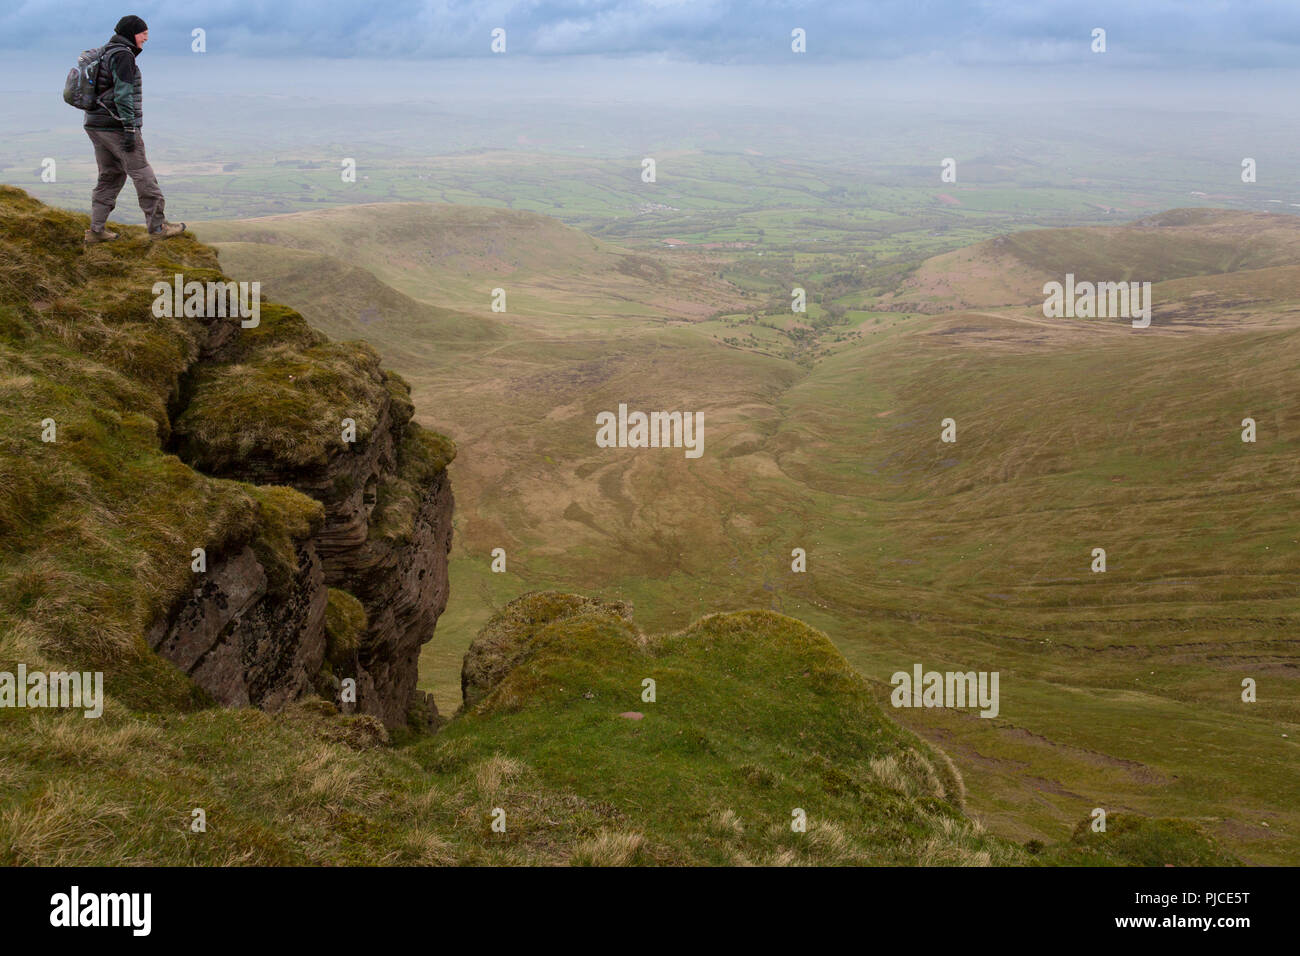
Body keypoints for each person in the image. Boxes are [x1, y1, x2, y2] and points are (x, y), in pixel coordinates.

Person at [83, 15, 185, 243]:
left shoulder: (105, 51)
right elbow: (123, 94)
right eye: (143, 34)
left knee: (110, 175)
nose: (146, 39)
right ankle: (158, 228)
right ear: (131, 33)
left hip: (95, 123)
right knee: (143, 174)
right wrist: (129, 129)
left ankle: (96, 231)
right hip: (116, 126)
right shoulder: (122, 55)